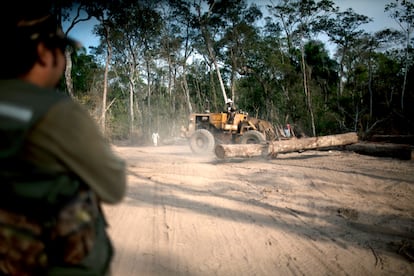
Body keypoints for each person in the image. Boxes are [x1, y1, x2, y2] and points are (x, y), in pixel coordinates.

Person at [0, 4, 126, 276]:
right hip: (52, 262)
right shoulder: (58, 110)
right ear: (45, 53)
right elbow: (113, 187)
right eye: (61, 49)